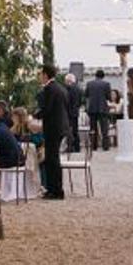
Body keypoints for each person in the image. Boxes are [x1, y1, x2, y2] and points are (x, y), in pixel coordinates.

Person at [35, 64, 68, 199]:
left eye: (40, 74)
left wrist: (34, 116)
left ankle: (54, 190)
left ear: (45, 75)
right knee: (54, 159)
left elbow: (46, 109)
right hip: (60, 127)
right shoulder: (61, 88)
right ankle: (57, 189)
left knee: (51, 160)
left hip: (52, 128)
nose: (39, 77)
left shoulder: (48, 89)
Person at [85, 70, 112, 151]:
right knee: (104, 129)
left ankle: (94, 146)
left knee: (93, 128)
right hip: (103, 108)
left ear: (95, 75)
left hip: (92, 108)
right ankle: (105, 146)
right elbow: (108, 97)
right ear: (103, 76)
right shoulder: (106, 84)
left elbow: (86, 95)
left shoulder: (89, 84)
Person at [64, 73, 83, 152]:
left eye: (65, 81)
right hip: (75, 112)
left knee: (69, 131)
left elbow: (67, 102)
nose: (65, 83)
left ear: (69, 81)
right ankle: (77, 147)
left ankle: (70, 147)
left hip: (69, 113)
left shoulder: (69, 89)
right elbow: (80, 101)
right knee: (75, 130)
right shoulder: (78, 89)